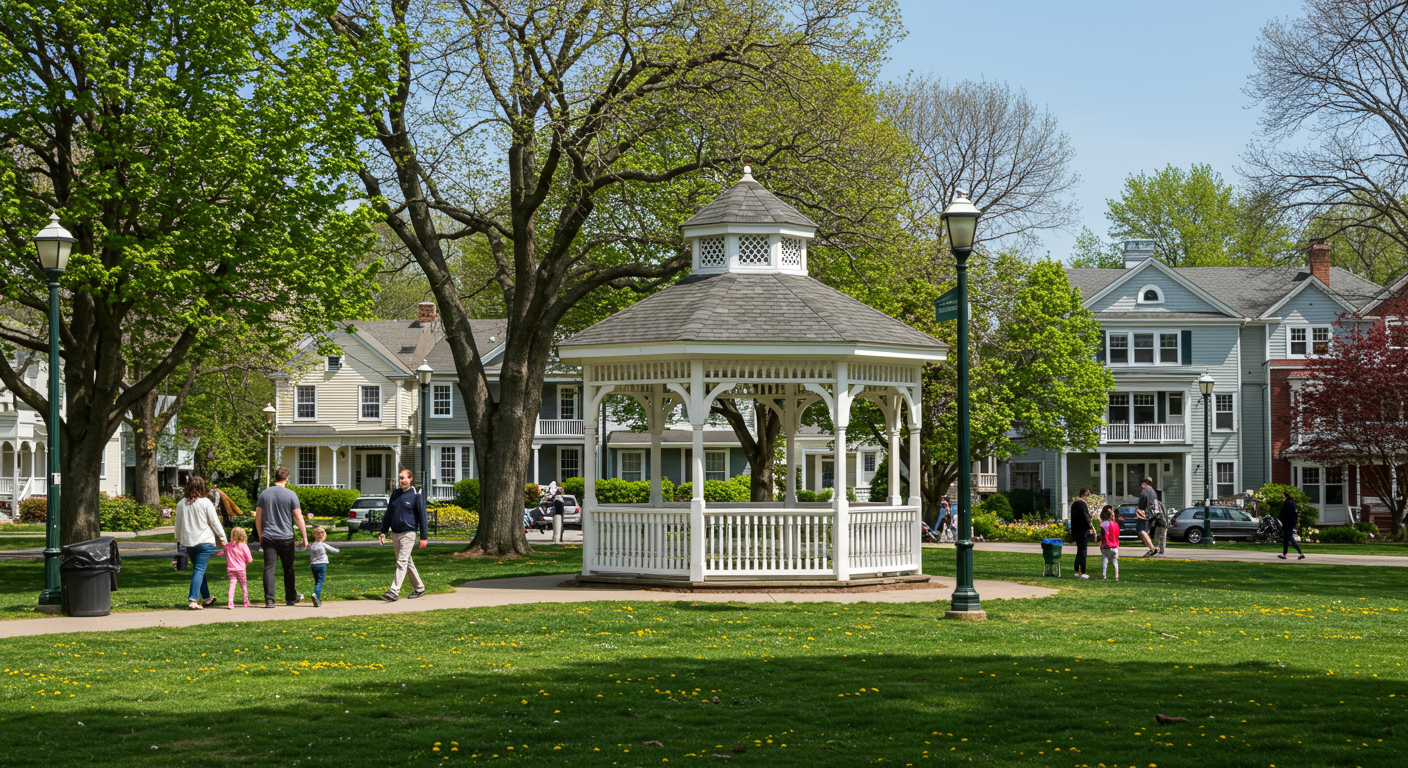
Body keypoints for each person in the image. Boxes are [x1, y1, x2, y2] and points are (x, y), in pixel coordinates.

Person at [255, 467, 308, 608]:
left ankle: (270, 600)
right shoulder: (291, 494)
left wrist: (260, 535)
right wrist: (305, 537)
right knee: (288, 568)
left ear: (275, 477)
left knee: (269, 568)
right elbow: (298, 517)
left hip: (268, 536)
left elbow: (258, 518)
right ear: (287, 478)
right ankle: (290, 598)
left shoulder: (264, 494)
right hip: (286, 537)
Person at [173, 475, 225, 610]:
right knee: (199, 570)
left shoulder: (181, 503)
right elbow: (214, 522)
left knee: (199, 570)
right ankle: (193, 599)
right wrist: (223, 538)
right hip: (204, 541)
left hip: (189, 542)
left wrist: (179, 538)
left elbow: (178, 524)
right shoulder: (205, 502)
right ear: (203, 487)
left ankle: (207, 598)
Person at [379, 468, 428, 602]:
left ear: (410, 479)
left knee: (401, 562)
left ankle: (394, 591)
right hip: (395, 533)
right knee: (407, 561)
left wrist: (424, 537)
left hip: (409, 533)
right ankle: (419, 587)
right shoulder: (395, 494)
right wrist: (383, 531)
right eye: (401, 478)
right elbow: (389, 514)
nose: (403, 480)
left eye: (405, 478)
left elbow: (423, 517)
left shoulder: (416, 495)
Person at [219, 527, 254, 608]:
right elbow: (249, 558)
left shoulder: (228, 546)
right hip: (241, 569)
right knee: (243, 585)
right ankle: (246, 601)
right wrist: (249, 560)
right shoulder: (243, 546)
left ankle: (230, 602)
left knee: (232, 584)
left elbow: (220, 553)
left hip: (231, 569)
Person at [307, 526, 341, 607]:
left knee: (317, 581)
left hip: (313, 565)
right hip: (322, 564)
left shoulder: (311, 546)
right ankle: (315, 595)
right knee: (320, 582)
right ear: (324, 535)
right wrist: (338, 550)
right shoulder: (323, 544)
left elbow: (308, 551)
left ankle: (317, 598)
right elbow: (334, 550)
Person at [1070, 488, 1092, 579]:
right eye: (1087, 495)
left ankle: (1077, 569)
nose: (1087, 498)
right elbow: (1085, 516)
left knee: (1080, 551)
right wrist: (1089, 527)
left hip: (1076, 530)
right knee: (1083, 551)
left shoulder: (1075, 504)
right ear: (1084, 495)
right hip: (1081, 531)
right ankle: (1081, 571)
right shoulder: (1081, 504)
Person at [1277, 490, 1306, 560]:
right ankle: (1284, 554)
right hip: (1291, 522)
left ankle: (1300, 553)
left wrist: (1280, 520)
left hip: (1287, 523)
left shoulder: (1287, 503)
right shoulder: (1293, 503)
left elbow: (1284, 514)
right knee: (1286, 539)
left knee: (1289, 537)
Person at [1136, 477, 1158, 557]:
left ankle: (1152, 548)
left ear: (1144, 484)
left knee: (1141, 530)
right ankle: (1151, 547)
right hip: (1153, 513)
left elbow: (1142, 503)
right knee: (1146, 531)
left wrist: (1139, 511)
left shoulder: (1145, 491)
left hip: (1145, 513)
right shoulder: (1153, 492)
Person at [1099, 504, 1120, 581]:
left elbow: (1102, 534)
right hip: (1114, 545)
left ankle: (1104, 574)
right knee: (1115, 560)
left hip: (1105, 545)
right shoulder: (1116, 524)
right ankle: (1116, 575)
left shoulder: (1103, 524)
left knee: (1105, 559)